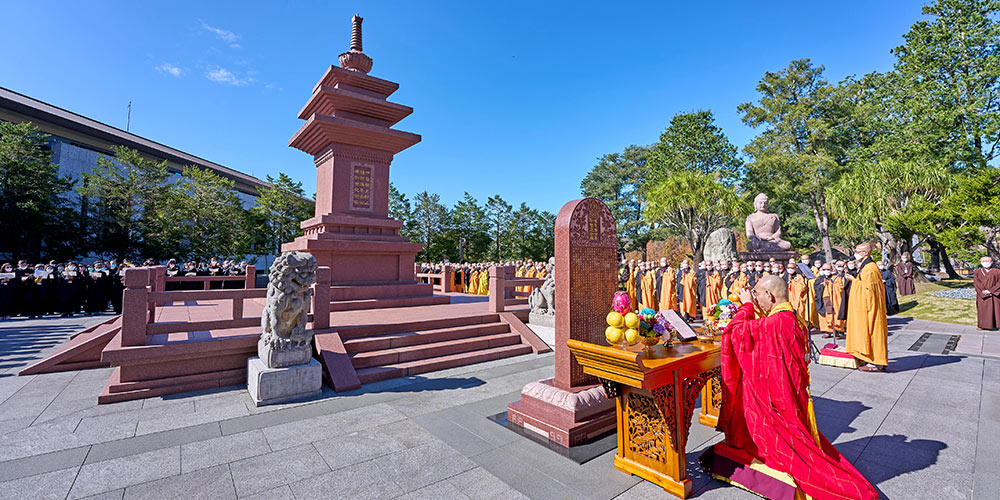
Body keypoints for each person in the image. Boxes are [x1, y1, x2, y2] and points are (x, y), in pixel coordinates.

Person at [712, 276, 877, 500]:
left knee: (795, 452)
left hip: (775, 400)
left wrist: (746, 306)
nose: (757, 300)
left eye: (759, 295)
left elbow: (736, 333)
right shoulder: (789, 316)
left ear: (770, 296)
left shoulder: (775, 323)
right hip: (788, 392)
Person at [846, 244, 889, 372]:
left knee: (873, 332)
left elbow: (869, 291)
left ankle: (875, 362)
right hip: (866, 307)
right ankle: (866, 357)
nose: (855, 253)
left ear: (865, 253)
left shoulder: (870, 268)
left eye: (858, 251)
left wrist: (854, 281)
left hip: (871, 308)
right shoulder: (866, 266)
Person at [814, 263, 846, 339]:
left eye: (828, 269)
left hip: (835, 300)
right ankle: (827, 331)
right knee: (825, 314)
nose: (826, 271)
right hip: (824, 299)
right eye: (824, 269)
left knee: (835, 314)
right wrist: (823, 285)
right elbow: (816, 287)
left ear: (832, 270)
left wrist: (830, 284)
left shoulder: (836, 278)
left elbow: (840, 287)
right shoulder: (819, 278)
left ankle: (837, 332)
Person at [974, 256, 999, 330]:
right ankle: (982, 325)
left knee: (996, 310)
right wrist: (983, 291)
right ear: (981, 262)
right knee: (982, 310)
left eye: (987, 261)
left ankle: (996, 325)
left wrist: (991, 291)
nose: (986, 263)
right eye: (984, 261)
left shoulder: (997, 271)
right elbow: (976, 283)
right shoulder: (977, 272)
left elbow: (999, 283)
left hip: (994, 295)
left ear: (991, 262)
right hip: (982, 295)